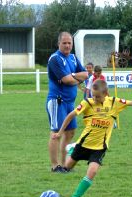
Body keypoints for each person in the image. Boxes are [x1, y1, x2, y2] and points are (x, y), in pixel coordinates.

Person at [51, 79, 132, 197]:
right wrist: (60, 132)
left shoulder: (114, 103)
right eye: (93, 95)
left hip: (100, 147)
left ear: (106, 94)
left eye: (97, 96)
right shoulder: (87, 103)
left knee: (92, 172)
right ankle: (72, 149)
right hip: (83, 144)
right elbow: (71, 115)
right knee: (67, 167)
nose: (94, 98)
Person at [46, 31, 89, 173]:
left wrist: (73, 76)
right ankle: (54, 165)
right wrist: (75, 77)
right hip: (57, 101)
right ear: (58, 43)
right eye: (64, 43)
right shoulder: (55, 59)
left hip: (70, 102)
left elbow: (85, 74)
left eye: (69, 43)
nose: (67, 45)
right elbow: (67, 80)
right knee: (56, 132)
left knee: (70, 132)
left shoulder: (73, 58)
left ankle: (65, 164)